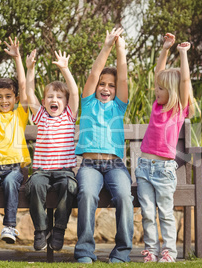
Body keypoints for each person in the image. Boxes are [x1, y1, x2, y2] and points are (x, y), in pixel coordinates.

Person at [73, 28, 134, 264]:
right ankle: (85, 252)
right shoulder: (88, 103)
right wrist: (107, 45)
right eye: (102, 84)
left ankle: (121, 252)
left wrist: (121, 50)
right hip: (89, 166)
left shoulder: (119, 107)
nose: (106, 88)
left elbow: (123, 77)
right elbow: (93, 73)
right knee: (87, 193)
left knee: (124, 197)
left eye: (110, 85)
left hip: (115, 166)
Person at [136, 33, 195, 263]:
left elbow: (185, 82)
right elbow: (158, 74)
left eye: (161, 88)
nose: (156, 91)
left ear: (171, 91)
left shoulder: (179, 109)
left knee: (165, 213)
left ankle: (168, 251)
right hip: (144, 168)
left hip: (164, 170)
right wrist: (165, 48)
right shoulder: (155, 107)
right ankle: (151, 251)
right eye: (157, 87)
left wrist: (182, 54)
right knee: (148, 213)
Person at [24, 49, 79, 251]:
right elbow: (29, 93)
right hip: (41, 171)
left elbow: (74, 92)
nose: (53, 99)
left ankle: (59, 230)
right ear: (44, 100)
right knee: (35, 186)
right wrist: (30, 69)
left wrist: (65, 69)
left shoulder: (68, 116)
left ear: (65, 103)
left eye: (58, 97)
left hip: (64, 171)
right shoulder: (41, 116)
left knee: (69, 186)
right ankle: (41, 230)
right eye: (49, 96)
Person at [0, 37, 31, 245]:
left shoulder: (20, 115)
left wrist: (18, 57)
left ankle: (10, 227)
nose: (3, 101)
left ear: (15, 99)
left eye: (8, 96)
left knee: (10, 182)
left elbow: (23, 85)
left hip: (14, 169)